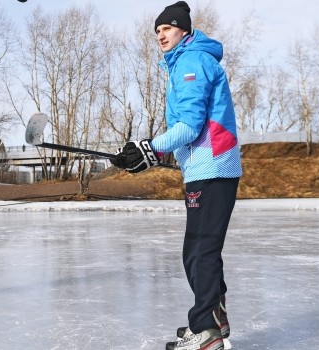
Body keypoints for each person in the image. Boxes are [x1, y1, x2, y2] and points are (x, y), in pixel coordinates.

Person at [111, 2, 242, 349]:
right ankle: (212, 318)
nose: (160, 35)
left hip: (212, 167)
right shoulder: (188, 61)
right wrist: (151, 153)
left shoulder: (191, 61)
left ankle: (207, 332)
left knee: (201, 251)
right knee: (199, 250)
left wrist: (151, 147)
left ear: (183, 29)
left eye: (166, 28)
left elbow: (189, 125)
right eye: (157, 31)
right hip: (206, 166)